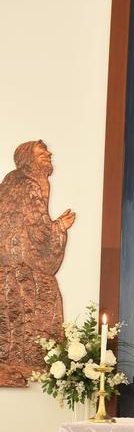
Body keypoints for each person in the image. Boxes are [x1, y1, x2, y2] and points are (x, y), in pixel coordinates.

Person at [0, 140, 75, 382]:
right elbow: (35, 229)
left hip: (10, 266)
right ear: (28, 157)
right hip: (24, 267)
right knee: (40, 306)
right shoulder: (29, 184)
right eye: (42, 150)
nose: (49, 152)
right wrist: (60, 227)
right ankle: (28, 363)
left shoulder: (12, 181)